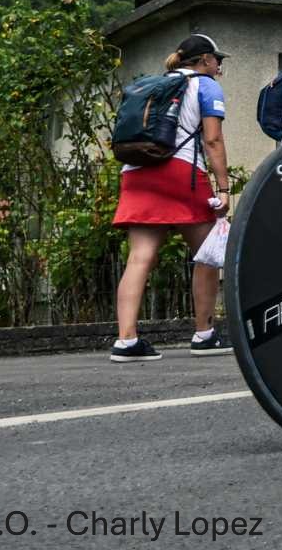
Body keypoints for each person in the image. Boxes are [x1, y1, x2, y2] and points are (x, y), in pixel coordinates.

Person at [110, 33, 232, 361]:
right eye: (217, 59)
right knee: (208, 254)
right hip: (180, 173)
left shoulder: (157, 84)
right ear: (204, 60)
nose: (219, 66)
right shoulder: (206, 86)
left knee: (140, 257)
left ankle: (126, 341)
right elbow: (213, 141)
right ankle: (204, 334)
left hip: (136, 171)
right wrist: (223, 188)